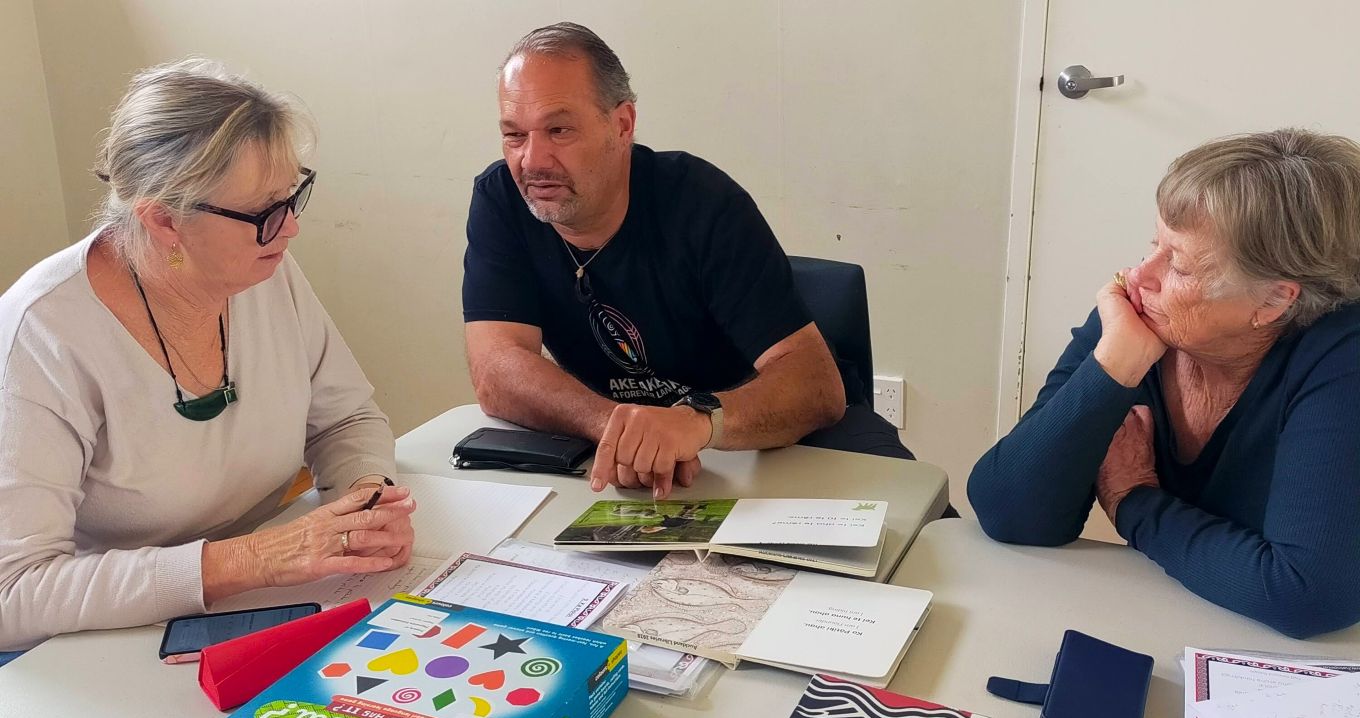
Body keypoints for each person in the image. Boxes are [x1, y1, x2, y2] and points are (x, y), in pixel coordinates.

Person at [0, 59, 416, 654]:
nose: (291, 229)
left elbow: (346, 418)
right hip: (100, 640)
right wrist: (252, 559)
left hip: (259, 600)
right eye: (265, 213)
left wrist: (365, 502)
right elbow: (13, 594)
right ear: (164, 220)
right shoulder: (41, 335)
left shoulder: (262, 267)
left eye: (293, 196)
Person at [463, 22, 918, 501]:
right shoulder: (502, 200)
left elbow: (817, 387)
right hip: (645, 457)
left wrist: (696, 422)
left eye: (559, 130)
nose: (533, 160)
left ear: (622, 124)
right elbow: (496, 369)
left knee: (912, 530)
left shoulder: (702, 203)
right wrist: (621, 429)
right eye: (514, 135)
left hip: (769, 436)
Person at [968, 128, 1360, 638]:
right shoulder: (1141, 318)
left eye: (1177, 264)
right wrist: (1112, 367)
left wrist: (1134, 500)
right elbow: (1009, 512)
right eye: (1155, 245)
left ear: (1273, 302)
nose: (1137, 275)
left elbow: (1307, 596)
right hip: (1184, 619)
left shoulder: (1342, 360)